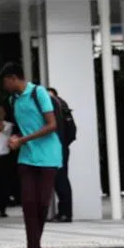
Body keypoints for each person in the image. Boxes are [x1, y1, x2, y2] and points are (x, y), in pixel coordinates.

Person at [0, 61, 62, 248]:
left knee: (42, 205)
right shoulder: (14, 100)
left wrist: (22, 140)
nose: (4, 86)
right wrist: (13, 136)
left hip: (48, 157)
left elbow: (52, 124)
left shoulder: (39, 93)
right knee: (28, 204)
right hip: (26, 158)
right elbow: (21, 126)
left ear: (14, 78)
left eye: (5, 81)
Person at [48, 87, 74, 223]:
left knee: (61, 180)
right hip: (62, 146)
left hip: (57, 147)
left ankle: (65, 213)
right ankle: (64, 212)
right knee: (60, 180)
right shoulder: (63, 106)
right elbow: (72, 133)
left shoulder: (56, 106)